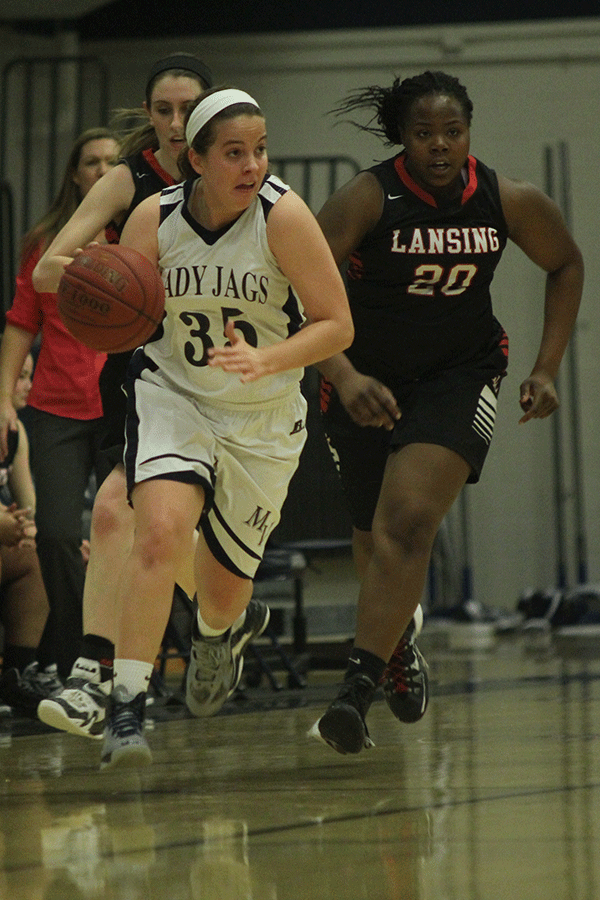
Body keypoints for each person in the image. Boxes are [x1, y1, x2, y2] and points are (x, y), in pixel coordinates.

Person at [309, 70, 583, 754]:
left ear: (469, 133)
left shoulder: (506, 199)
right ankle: (397, 642)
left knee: (406, 521)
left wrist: (545, 367)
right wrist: (341, 375)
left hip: (460, 377)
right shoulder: (367, 198)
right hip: (363, 376)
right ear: (403, 137)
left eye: (452, 132)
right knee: (375, 534)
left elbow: (567, 264)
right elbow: (295, 287)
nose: (439, 146)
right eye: (424, 133)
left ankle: (355, 688)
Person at [95, 84, 353, 769]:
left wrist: (266, 357)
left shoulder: (284, 217)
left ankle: (219, 633)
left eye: (261, 150)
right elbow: (123, 304)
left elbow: (337, 325)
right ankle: (126, 706)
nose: (252, 165)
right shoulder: (155, 217)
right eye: (234, 153)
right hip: (173, 392)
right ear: (198, 160)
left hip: (262, 415)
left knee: (221, 593)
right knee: (157, 533)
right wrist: (98, 295)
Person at [34, 54, 213, 738]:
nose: (173, 123)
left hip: (224, 384)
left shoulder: (234, 176)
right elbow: (50, 269)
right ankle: (91, 676)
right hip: (146, 379)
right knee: (113, 516)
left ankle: (229, 617)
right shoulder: (125, 181)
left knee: (181, 539)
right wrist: (117, 275)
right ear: (148, 115)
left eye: (185, 110)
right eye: (162, 111)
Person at [0, 127, 120, 682]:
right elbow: (22, 322)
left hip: (121, 403)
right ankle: (76, 664)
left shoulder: (138, 233)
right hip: (55, 407)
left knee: (126, 532)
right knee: (53, 533)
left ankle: (131, 662)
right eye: (90, 162)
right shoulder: (46, 240)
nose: (100, 170)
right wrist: (4, 398)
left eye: (111, 162)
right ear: (75, 175)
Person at [0, 353, 62, 715]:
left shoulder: (16, 431)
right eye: (20, 376)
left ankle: (18, 673)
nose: (28, 385)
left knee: (40, 555)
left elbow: (30, 505)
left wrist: (30, 530)